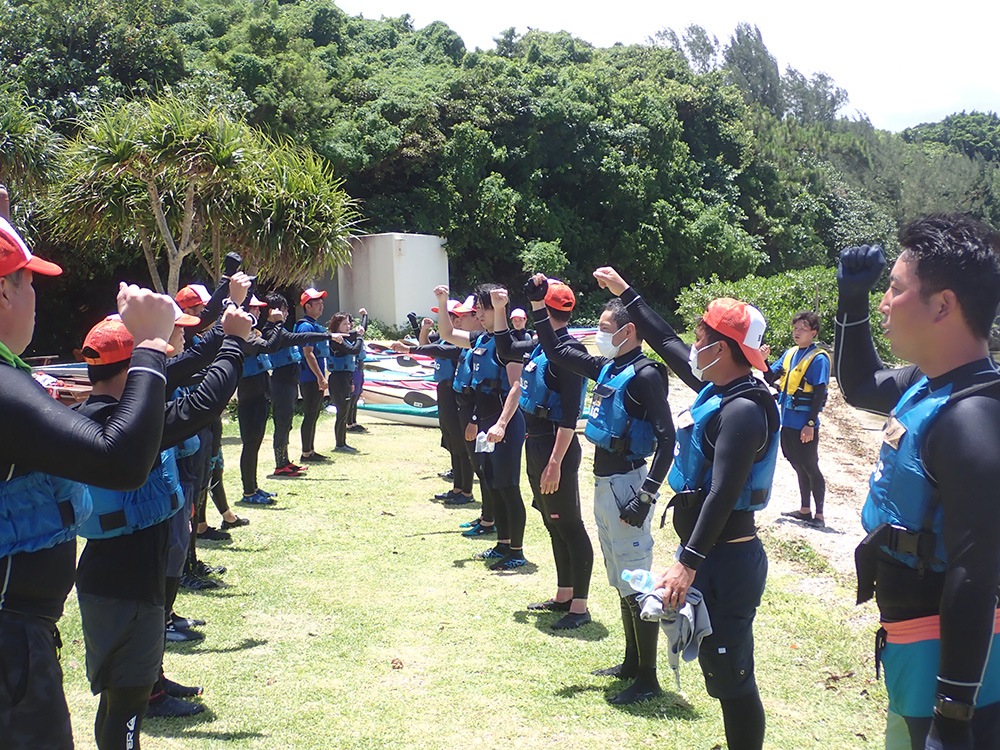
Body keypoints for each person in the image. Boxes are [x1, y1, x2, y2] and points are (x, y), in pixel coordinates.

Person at [0, 197, 176, 748]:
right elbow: (119, 460)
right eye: (31, 283)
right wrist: (151, 346)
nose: (36, 299)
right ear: (4, 291)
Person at [593, 266, 779, 749]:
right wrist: (625, 292)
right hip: (710, 556)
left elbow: (722, 493)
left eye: (701, 338)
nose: (692, 346)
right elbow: (664, 339)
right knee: (719, 670)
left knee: (732, 676)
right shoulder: (719, 389)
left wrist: (686, 563)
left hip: (727, 560)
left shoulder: (744, 409)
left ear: (724, 348)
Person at [834, 216, 1000, 750]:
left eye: (895, 288)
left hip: (951, 661)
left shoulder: (971, 418)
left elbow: (977, 572)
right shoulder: (929, 383)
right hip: (914, 638)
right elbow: (860, 384)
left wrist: (953, 716)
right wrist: (851, 299)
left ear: (943, 305)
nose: (885, 303)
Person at [74, 304, 250, 741]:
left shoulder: (88, 416)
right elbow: (205, 403)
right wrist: (233, 342)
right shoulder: (133, 429)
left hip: (110, 575)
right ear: (134, 367)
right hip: (128, 584)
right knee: (127, 707)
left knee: (118, 700)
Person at [529, 273, 674, 703]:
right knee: (621, 578)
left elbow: (668, 440)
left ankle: (648, 679)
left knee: (638, 582)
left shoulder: (646, 376)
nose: (599, 336)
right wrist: (537, 306)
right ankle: (631, 663)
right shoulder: (609, 367)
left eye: (606, 329)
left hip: (630, 484)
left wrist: (646, 496)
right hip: (606, 483)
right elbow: (557, 350)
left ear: (629, 332)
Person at [498, 280, 593, 630]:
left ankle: (579, 607)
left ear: (543, 309)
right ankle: (563, 594)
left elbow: (569, 416)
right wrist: (500, 309)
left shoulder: (567, 353)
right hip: (537, 443)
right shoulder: (542, 346)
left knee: (570, 525)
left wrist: (554, 463)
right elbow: (505, 347)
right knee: (553, 524)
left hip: (556, 447)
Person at [435, 284, 527, 569]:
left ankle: (517, 552)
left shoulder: (508, 343)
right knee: (492, 484)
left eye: (484, 308)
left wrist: (501, 424)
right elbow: (447, 334)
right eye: (478, 309)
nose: (479, 314)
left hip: (504, 426)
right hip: (486, 424)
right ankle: (502, 545)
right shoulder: (480, 339)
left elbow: (516, 387)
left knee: (508, 487)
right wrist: (442, 302)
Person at [393, 302, 476, 505]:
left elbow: (440, 350)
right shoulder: (447, 339)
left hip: (455, 393)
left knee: (461, 445)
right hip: (444, 391)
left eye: (447, 317)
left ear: (457, 320)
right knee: (452, 442)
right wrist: (421, 333)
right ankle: (457, 488)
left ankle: (466, 492)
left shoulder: (463, 341)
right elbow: (431, 348)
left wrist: (410, 348)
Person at [763, 311, 829, 527]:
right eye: (795, 328)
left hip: (804, 425)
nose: (797, 332)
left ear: (813, 333)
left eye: (803, 328)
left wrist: (810, 424)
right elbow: (770, 376)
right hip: (788, 421)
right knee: (798, 465)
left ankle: (819, 515)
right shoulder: (790, 354)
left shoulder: (818, 359)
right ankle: (804, 510)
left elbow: (819, 393)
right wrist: (763, 360)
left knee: (810, 466)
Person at [297, 288, 329, 462]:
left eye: (321, 303)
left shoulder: (313, 325)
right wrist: (320, 377)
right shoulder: (306, 326)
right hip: (309, 378)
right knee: (310, 414)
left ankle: (310, 450)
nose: (321, 306)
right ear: (307, 306)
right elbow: (308, 353)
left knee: (314, 414)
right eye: (317, 303)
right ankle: (306, 453)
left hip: (314, 377)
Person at [326, 311, 364, 453]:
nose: (348, 326)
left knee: (344, 411)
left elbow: (355, 334)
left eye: (349, 323)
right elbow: (354, 350)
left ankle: (342, 442)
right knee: (341, 413)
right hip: (338, 379)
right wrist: (359, 337)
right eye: (344, 324)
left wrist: (360, 330)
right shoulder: (336, 340)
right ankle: (339, 444)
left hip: (345, 378)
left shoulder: (344, 337)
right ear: (337, 326)